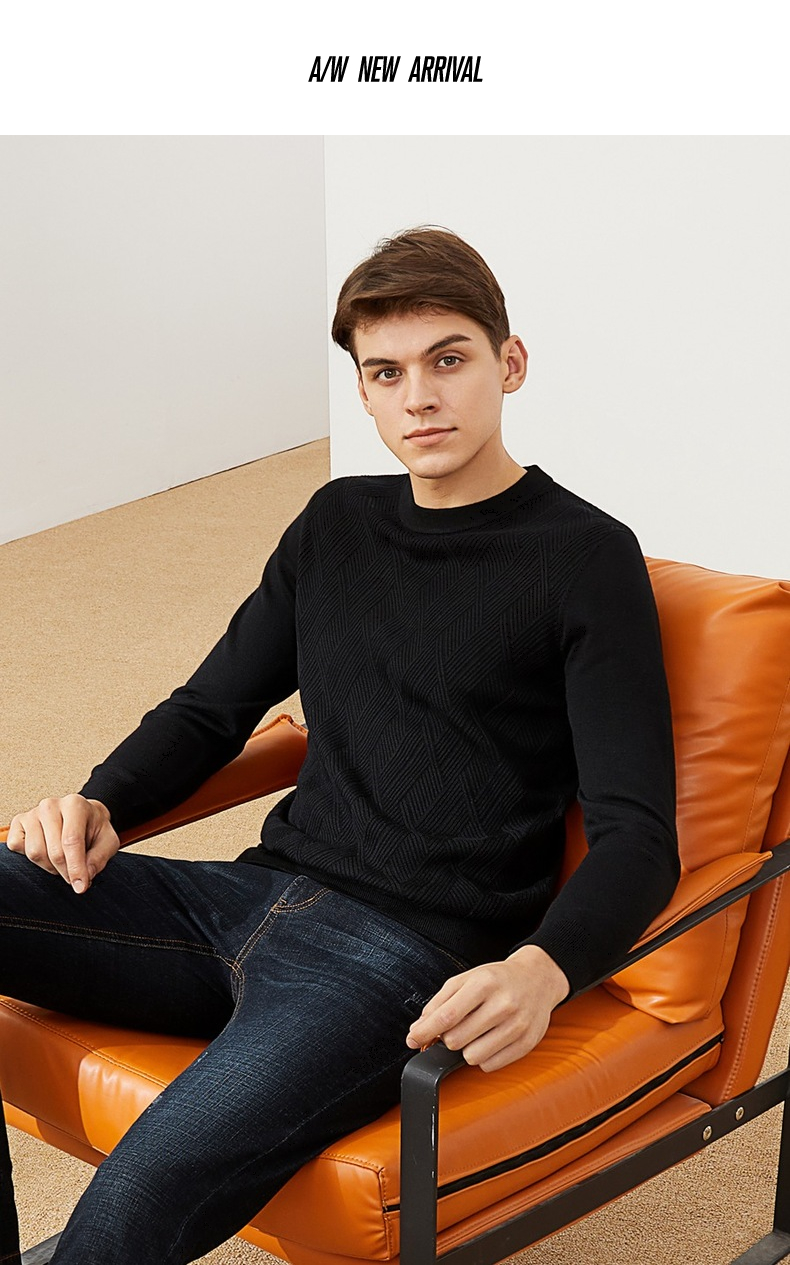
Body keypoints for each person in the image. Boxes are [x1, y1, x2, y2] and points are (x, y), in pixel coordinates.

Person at [0, 227, 679, 1265]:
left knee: (144, 1184)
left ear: (509, 363)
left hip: (395, 959)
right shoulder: (336, 522)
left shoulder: (585, 556)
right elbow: (210, 709)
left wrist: (543, 968)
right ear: (362, 391)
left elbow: (638, 833)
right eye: (386, 372)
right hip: (242, 898)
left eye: (448, 359)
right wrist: (101, 800)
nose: (420, 397)